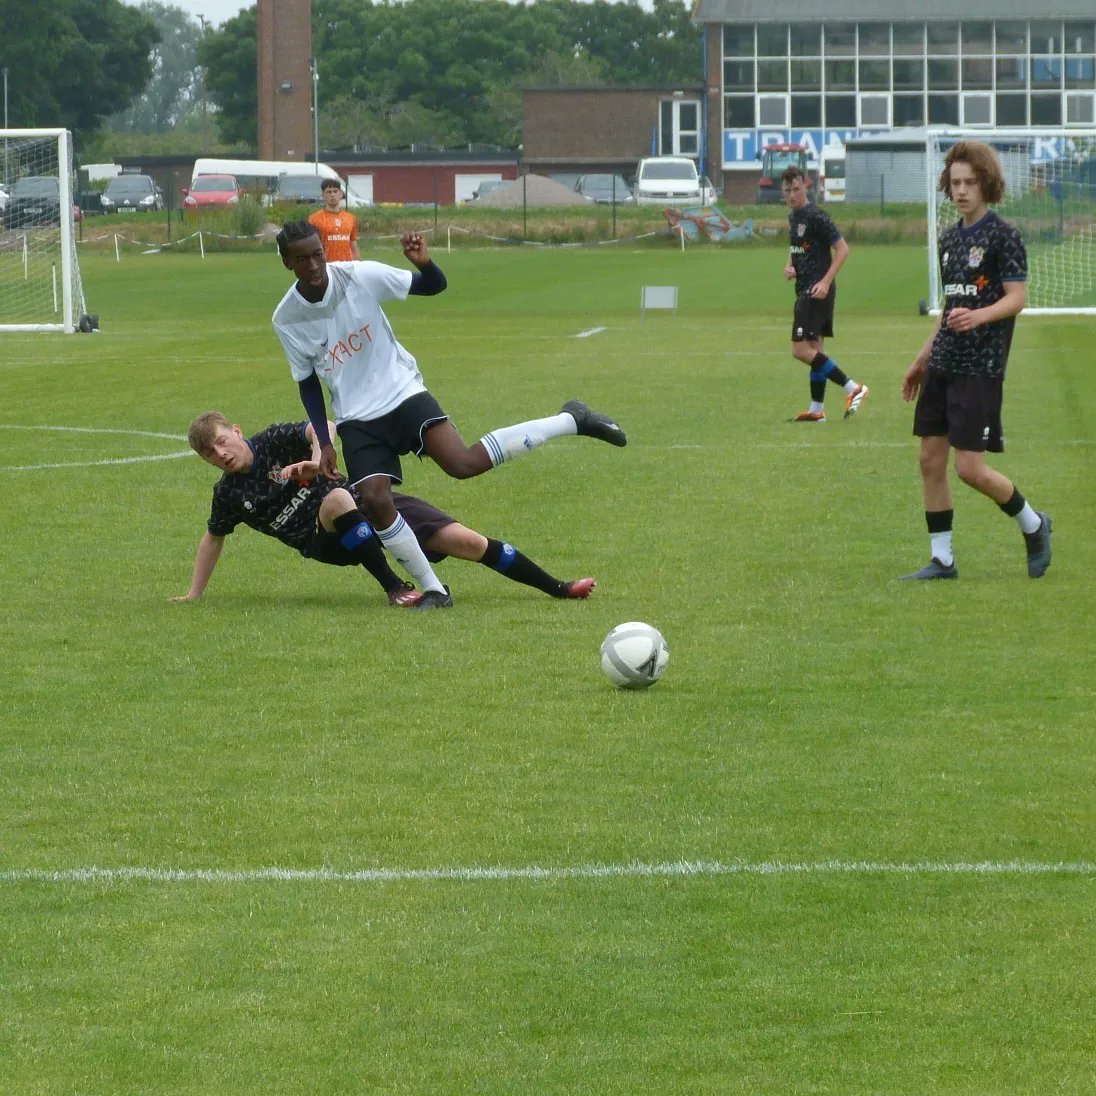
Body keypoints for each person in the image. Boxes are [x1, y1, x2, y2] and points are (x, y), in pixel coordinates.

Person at [271, 220, 626, 610]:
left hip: (402, 392)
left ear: (325, 250)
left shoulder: (360, 275)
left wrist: (425, 263)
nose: (313, 265)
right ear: (287, 262)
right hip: (357, 416)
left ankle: (571, 419)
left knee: (463, 464)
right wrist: (325, 441)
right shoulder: (286, 318)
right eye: (301, 259)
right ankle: (435, 589)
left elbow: (433, 285)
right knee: (373, 499)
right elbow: (307, 382)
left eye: (317, 254)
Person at [171, 413, 598, 606]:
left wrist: (320, 453)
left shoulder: (273, 441)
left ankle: (557, 588)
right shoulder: (229, 494)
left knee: (467, 542)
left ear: (236, 431)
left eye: (222, 441)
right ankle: (395, 587)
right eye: (210, 454)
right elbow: (213, 537)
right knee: (335, 499)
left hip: (371, 502)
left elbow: (323, 427)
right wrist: (194, 593)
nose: (220, 454)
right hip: (328, 540)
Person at [900, 140, 1051, 580]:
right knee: (930, 459)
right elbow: (951, 307)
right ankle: (942, 559)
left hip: (981, 365)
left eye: (970, 182)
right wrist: (921, 358)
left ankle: (1035, 525)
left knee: (969, 468)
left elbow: (1017, 298)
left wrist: (979, 317)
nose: (962, 190)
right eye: (955, 183)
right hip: (944, 361)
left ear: (987, 184)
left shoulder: (1005, 236)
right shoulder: (949, 240)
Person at [781, 165, 868, 423]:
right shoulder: (794, 216)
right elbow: (796, 246)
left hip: (817, 290)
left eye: (796, 189)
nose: (792, 195)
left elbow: (843, 249)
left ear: (806, 187)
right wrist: (790, 265)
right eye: (787, 191)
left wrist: (826, 282)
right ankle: (817, 409)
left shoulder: (817, 216)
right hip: (806, 288)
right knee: (815, 349)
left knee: (800, 350)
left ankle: (853, 388)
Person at [308, 178, 359, 261]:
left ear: (341, 194)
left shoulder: (350, 218)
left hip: (347, 266)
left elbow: (353, 244)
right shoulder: (314, 219)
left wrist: (356, 264)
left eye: (335, 191)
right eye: (329, 192)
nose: (332, 195)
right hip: (327, 266)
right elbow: (311, 246)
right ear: (323, 195)